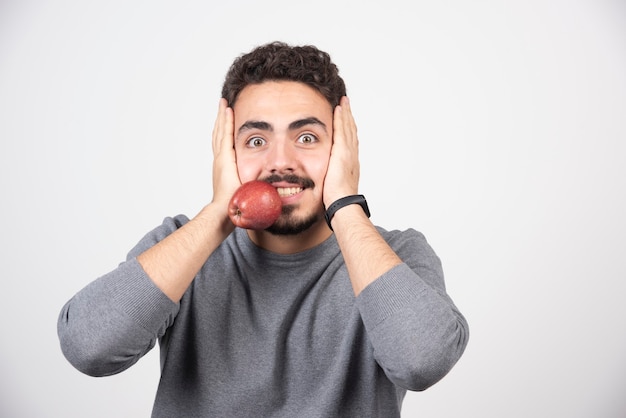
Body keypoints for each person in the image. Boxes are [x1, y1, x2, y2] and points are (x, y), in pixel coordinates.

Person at [58, 41, 469, 417]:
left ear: (342, 148)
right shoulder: (182, 246)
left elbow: (422, 361)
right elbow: (89, 349)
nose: (280, 161)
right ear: (227, 151)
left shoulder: (396, 254)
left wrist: (344, 203)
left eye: (306, 137)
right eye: (256, 141)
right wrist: (221, 210)